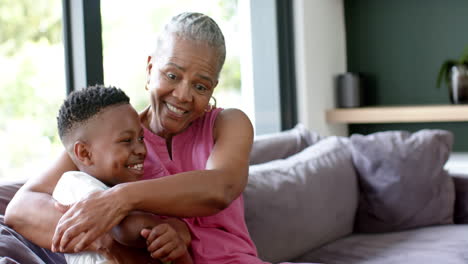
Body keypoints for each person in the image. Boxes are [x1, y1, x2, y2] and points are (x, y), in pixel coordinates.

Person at [5, 12, 313, 263]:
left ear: (214, 88)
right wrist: (106, 240)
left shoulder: (229, 123)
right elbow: (21, 209)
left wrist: (119, 199)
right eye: (172, 75)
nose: (183, 95)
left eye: (201, 86)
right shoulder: (113, 140)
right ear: (151, 67)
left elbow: (221, 186)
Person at [52, 85, 192, 264]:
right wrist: (168, 228)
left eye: (141, 138)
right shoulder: (74, 183)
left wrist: (176, 236)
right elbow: (125, 228)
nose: (141, 149)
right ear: (85, 153)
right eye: (126, 141)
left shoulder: (126, 187)